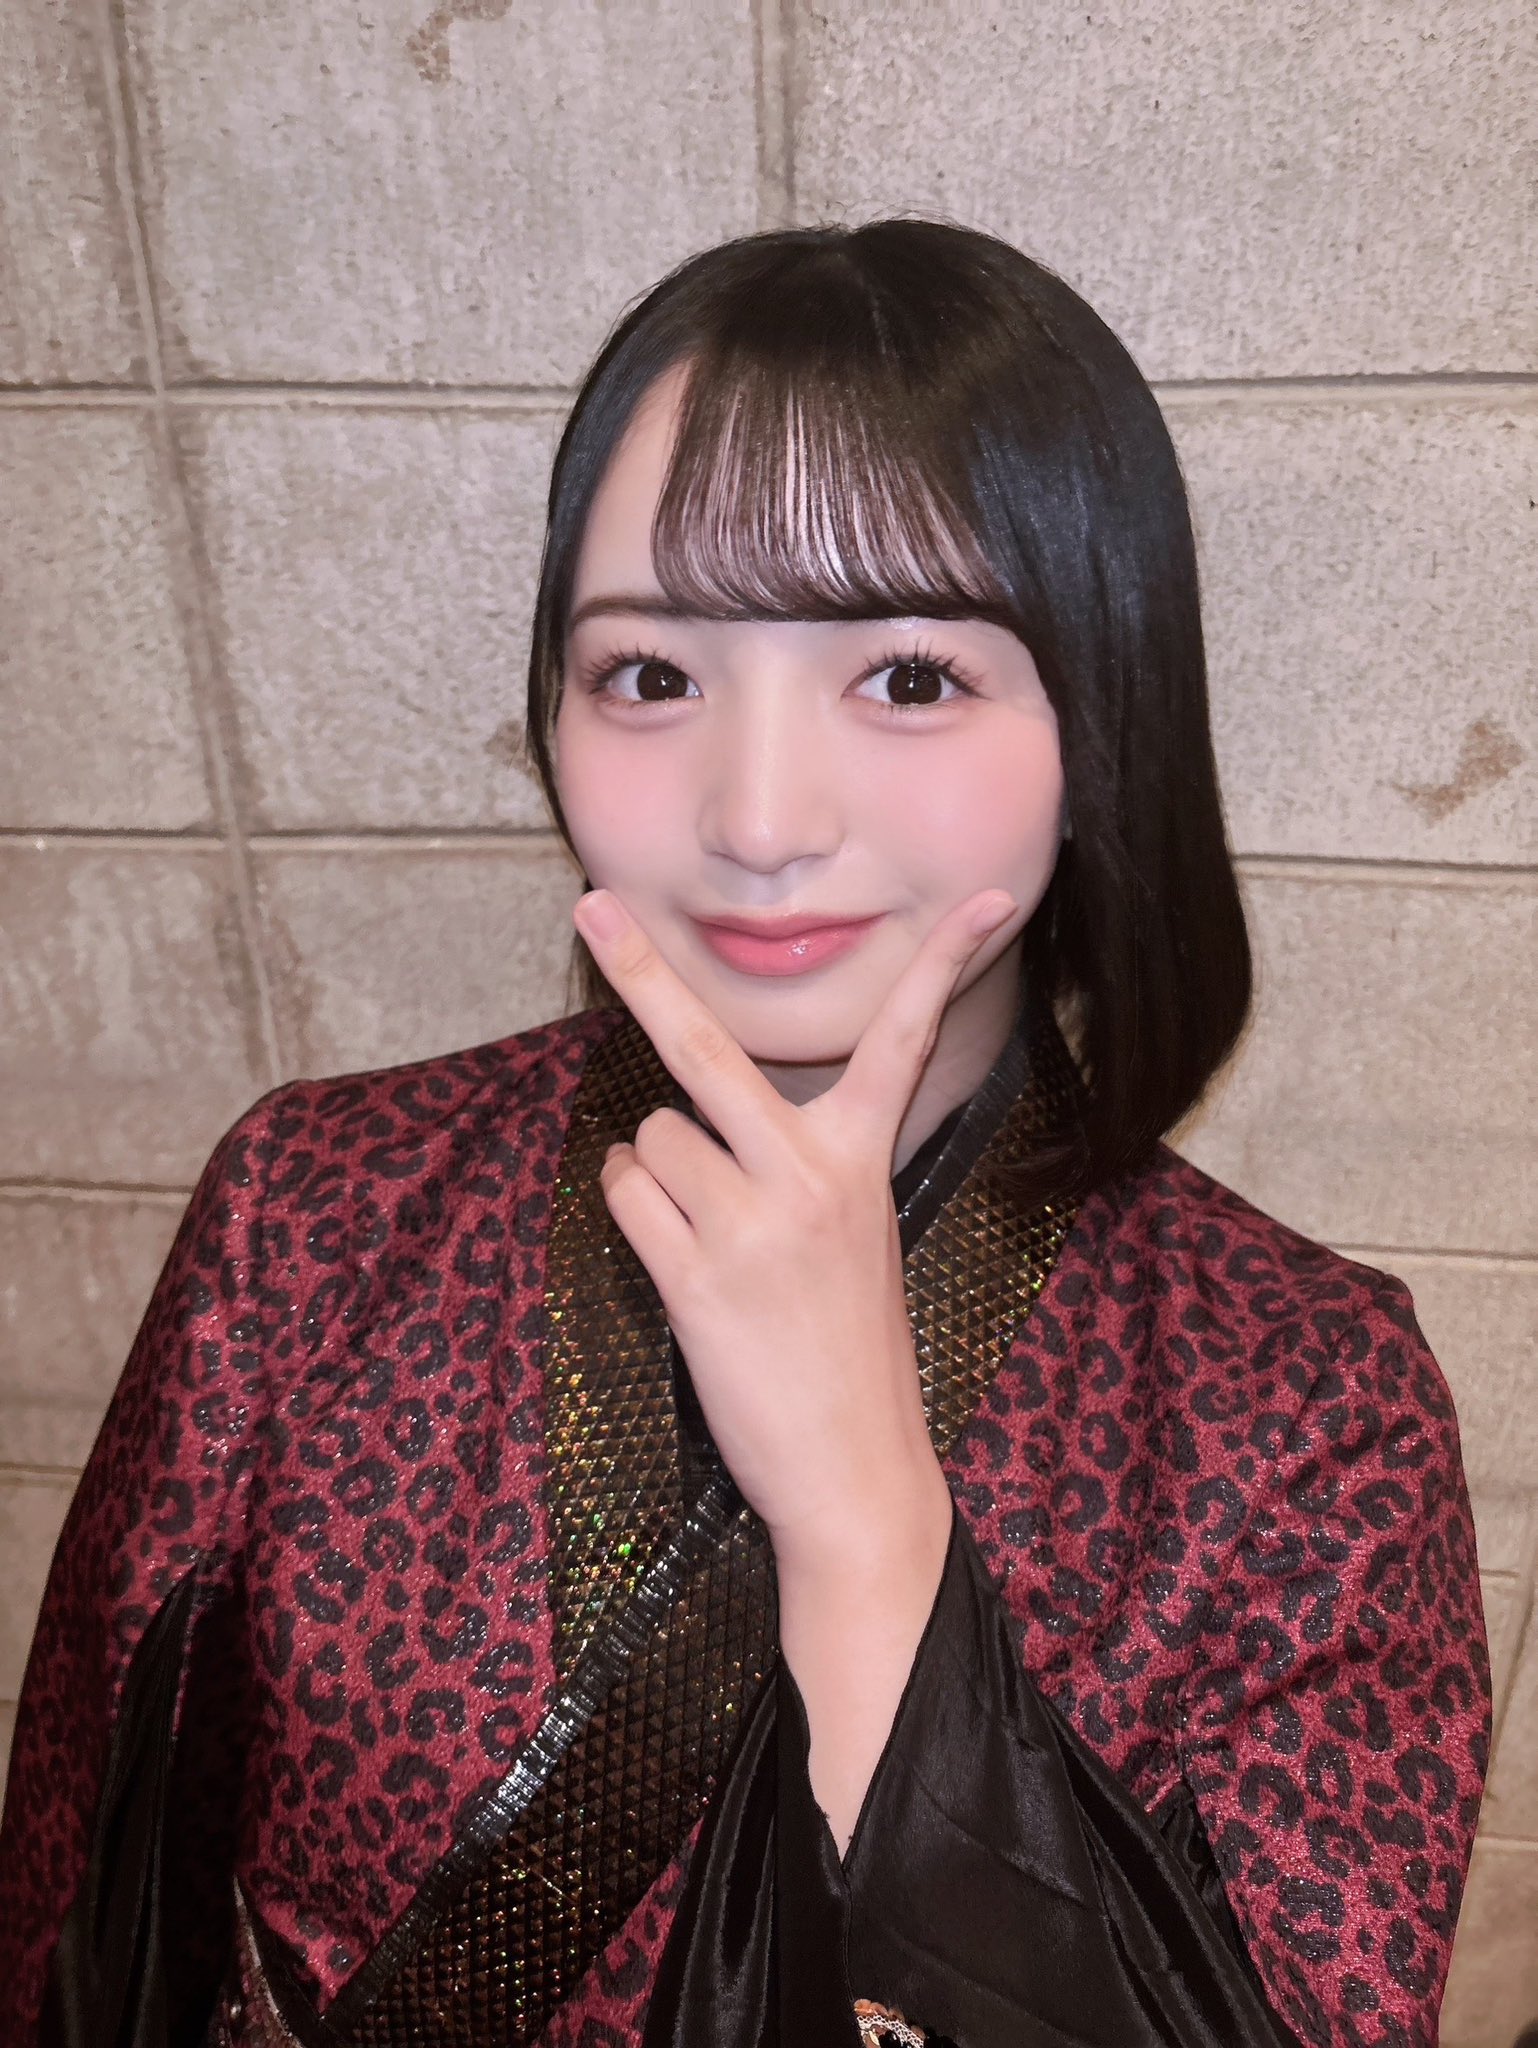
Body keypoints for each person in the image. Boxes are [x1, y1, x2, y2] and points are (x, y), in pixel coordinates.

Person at [0, 220, 1490, 2048]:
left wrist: (865, 1528)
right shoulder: (314, 1207)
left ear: (1101, 719)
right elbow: (82, 1892)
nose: (760, 818)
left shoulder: (1309, 1397)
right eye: (649, 675)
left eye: (910, 677)